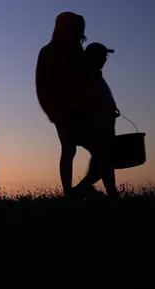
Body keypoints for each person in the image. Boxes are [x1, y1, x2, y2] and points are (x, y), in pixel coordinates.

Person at [36, 12, 89, 196]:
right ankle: (69, 193)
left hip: (82, 110)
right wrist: (51, 111)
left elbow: (86, 80)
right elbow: (41, 84)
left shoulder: (77, 51)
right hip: (62, 111)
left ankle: (81, 188)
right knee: (69, 149)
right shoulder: (48, 52)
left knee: (100, 149)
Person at [74, 43, 120, 198]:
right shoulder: (87, 75)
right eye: (102, 56)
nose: (105, 59)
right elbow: (86, 101)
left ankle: (81, 189)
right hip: (95, 126)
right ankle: (111, 194)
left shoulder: (94, 74)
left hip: (103, 125)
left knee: (101, 162)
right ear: (94, 57)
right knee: (104, 160)